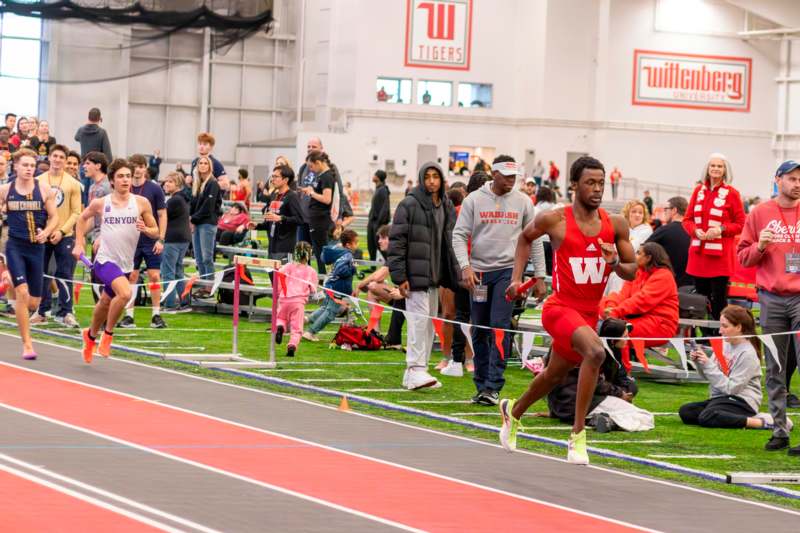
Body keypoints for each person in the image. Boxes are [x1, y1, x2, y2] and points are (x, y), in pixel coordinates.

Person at [499, 155, 636, 464]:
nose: (597, 189)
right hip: (559, 308)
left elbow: (632, 271)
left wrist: (614, 262)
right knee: (596, 353)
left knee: (552, 376)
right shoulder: (556, 220)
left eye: (601, 183)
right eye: (590, 183)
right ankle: (577, 437)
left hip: (588, 314)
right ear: (574, 185)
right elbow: (524, 238)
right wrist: (517, 278)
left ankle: (513, 412)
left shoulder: (616, 224)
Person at [453, 156, 546, 405]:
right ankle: (481, 384)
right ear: (494, 174)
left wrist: (539, 275)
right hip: (479, 274)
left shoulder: (523, 201)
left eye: (514, 177)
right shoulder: (474, 200)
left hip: (508, 272)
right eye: (506, 176)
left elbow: (535, 239)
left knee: (499, 326)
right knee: (479, 328)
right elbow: (459, 235)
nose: (511, 181)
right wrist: (465, 266)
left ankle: (494, 385)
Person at [738, 159, 800, 454]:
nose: (797, 184)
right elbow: (743, 257)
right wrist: (760, 246)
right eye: (792, 178)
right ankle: (779, 430)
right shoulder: (760, 213)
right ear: (778, 180)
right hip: (771, 297)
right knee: (775, 366)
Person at [73, 158, 159, 362]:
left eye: (128, 176)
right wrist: (79, 243)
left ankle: (90, 336)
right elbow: (81, 219)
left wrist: (146, 229)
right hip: (105, 260)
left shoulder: (141, 203)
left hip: (126, 263)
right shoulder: (101, 203)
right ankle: (108, 335)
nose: (125, 180)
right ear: (112, 180)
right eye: (120, 176)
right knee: (126, 293)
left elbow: (155, 231)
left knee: (105, 302)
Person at [388, 162, 460, 391]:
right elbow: (397, 241)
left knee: (427, 324)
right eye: (427, 176)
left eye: (435, 176)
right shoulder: (409, 204)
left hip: (435, 277)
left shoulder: (446, 205)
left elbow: (451, 240)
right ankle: (415, 369)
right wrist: (399, 276)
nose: (431, 181)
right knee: (418, 324)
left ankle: (418, 371)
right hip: (415, 276)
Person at [0, 148, 58, 359]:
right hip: (15, 246)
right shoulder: (6, 190)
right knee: (22, 294)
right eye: (25, 165)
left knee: (33, 302)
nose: (29, 169)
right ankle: (27, 344)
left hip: (37, 248)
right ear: (15, 166)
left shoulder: (43, 189)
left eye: (32, 165)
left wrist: (47, 232)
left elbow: (54, 217)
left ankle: (10, 280)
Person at [679, 305, 776, 431]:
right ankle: (726, 416)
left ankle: (763, 422)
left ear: (739, 327)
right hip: (721, 398)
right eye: (720, 325)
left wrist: (708, 364)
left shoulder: (748, 354)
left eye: (725, 326)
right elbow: (709, 377)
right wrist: (699, 362)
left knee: (707, 416)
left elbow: (732, 389)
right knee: (687, 411)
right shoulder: (724, 344)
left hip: (742, 401)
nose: (720, 331)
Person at [683, 153, 745, 322]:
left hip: (720, 259)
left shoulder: (732, 193)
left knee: (718, 302)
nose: (716, 169)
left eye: (720, 166)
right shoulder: (698, 191)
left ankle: (720, 333)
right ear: (707, 168)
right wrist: (695, 231)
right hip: (698, 257)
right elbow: (687, 220)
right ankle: (703, 336)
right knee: (700, 302)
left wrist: (721, 229)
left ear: (725, 170)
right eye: (713, 165)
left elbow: (741, 223)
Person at [599, 242, 679, 372]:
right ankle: (608, 371)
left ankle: (622, 374)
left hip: (661, 324)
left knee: (620, 331)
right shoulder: (638, 273)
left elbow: (642, 301)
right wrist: (611, 307)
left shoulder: (664, 276)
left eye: (638, 253)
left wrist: (615, 312)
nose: (635, 256)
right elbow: (622, 295)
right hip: (641, 319)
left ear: (649, 258)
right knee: (605, 308)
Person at [30, 144, 82, 328]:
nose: (58, 160)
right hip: (43, 234)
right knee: (41, 272)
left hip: (65, 235)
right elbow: (33, 208)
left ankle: (66, 312)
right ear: (49, 157)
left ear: (65, 161)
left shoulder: (73, 183)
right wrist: (41, 231)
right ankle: (41, 311)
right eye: (55, 156)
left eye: (62, 157)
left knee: (64, 274)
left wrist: (61, 231)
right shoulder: (37, 180)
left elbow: (77, 212)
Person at [118, 154, 167, 329]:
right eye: (134, 166)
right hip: (130, 240)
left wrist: (161, 238)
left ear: (145, 168)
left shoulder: (155, 189)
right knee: (131, 276)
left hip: (150, 239)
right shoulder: (125, 187)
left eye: (140, 166)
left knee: (154, 276)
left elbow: (162, 215)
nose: (137, 170)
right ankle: (129, 316)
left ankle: (156, 314)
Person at [303, 229, 359, 342]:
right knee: (331, 313)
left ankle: (307, 320)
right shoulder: (347, 255)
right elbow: (340, 271)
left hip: (330, 284)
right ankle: (310, 332)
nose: (357, 245)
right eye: (356, 242)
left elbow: (324, 258)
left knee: (325, 308)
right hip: (337, 287)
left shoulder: (337, 251)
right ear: (348, 244)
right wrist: (353, 269)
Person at [249, 165, 304, 261]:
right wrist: (257, 226)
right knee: (271, 271)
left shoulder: (292, 196)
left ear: (286, 180)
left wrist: (281, 218)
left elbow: (300, 219)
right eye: (272, 176)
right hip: (272, 246)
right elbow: (270, 222)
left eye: (276, 176)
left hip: (285, 247)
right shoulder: (274, 195)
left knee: (281, 271)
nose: (272, 179)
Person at [275, 241, 318, 357]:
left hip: (284, 299)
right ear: (309, 254)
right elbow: (313, 290)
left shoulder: (287, 266)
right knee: (297, 327)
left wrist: (279, 293)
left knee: (281, 318)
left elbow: (278, 281)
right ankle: (292, 345)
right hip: (298, 302)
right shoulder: (311, 271)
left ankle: (280, 327)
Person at [189, 155, 222, 293]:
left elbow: (208, 206)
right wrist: (190, 217)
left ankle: (209, 286)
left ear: (209, 166)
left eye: (205, 163)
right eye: (200, 163)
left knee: (207, 258)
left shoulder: (213, 183)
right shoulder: (197, 183)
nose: (202, 165)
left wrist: (193, 219)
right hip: (197, 223)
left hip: (207, 224)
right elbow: (193, 204)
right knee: (198, 258)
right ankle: (203, 284)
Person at [605, 199, 653, 295]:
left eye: (640, 213)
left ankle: (613, 301)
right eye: (634, 212)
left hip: (635, 267)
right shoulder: (625, 228)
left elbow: (632, 248)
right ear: (627, 213)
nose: (637, 215)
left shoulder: (646, 230)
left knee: (617, 278)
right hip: (619, 263)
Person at [160, 172, 192, 313]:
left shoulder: (174, 200)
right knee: (178, 272)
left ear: (178, 184)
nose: (166, 184)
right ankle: (184, 303)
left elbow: (161, 216)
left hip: (173, 239)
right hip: (183, 238)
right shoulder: (182, 198)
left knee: (168, 272)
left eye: (170, 182)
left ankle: (170, 304)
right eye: (166, 181)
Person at [300, 150, 335, 274]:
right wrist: (311, 190)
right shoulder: (322, 176)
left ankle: (324, 279)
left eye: (311, 166)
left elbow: (327, 199)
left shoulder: (326, 176)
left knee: (321, 252)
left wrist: (312, 193)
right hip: (316, 219)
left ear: (318, 163)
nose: (311, 169)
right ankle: (323, 279)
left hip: (320, 220)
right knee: (319, 250)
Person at [646, 196, 692, 288]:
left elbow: (642, 251)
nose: (664, 212)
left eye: (666, 209)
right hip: (690, 287)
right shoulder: (694, 232)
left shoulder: (664, 230)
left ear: (674, 210)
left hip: (666, 285)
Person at [367, 170, 390, 263]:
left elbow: (385, 208)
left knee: (379, 245)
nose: (373, 176)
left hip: (377, 223)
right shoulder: (378, 189)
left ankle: (391, 264)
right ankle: (372, 266)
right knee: (371, 245)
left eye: (375, 175)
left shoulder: (383, 190)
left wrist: (378, 223)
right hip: (372, 222)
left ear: (378, 177)